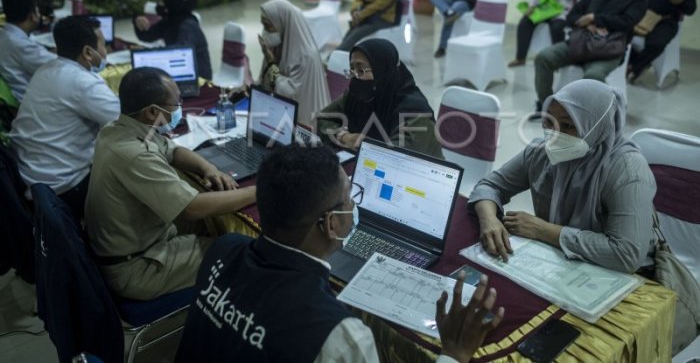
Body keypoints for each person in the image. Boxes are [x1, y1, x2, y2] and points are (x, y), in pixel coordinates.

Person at [175, 144, 504, 363]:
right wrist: (454, 353)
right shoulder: (338, 335)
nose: (355, 204)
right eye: (351, 197)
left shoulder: (222, 249)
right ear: (332, 224)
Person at [84, 67, 256, 300]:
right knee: (242, 253)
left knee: (215, 224)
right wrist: (258, 192)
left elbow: (172, 150)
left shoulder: (116, 129)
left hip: (139, 243)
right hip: (138, 268)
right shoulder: (135, 155)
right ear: (152, 111)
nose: (180, 108)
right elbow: (193, 208)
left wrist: (208, 168)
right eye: (176, 104)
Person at [470, 79, 657, 273]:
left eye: (568, 125)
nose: (554, 134)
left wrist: (544, 230)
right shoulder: (540, 152)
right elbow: (490, 185)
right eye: (549, 121)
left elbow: (626, 254)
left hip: (619, 274)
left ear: (595, 127)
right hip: (559, 260)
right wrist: (488, 218)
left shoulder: (627, 170)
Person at [10, 16, 119, 217]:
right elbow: (128, 123)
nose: (106, 51)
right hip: (64, 186)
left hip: (31, 178)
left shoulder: (47, 69)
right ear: (88, 52)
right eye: (104, 44)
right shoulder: (83, 83)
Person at [532, 0, 647, 115]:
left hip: (609, 49)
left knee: (593, 75)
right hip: (580, 42)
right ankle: (548, 106)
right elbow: (572, 16)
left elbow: (628, 22)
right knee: (543, 57)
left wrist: (595, 18)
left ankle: (588, 118)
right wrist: (586, 24)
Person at [316, 39, 444, 158]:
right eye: (352, 70)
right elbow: (323, 118)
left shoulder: (415, 113)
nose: (355, 77)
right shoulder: (356, 94)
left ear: (383, 71)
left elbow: (393, 159)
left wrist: (362, 145)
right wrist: (344, 136)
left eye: (361, 70)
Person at [257, 0, 330, 125]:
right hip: (280, 116)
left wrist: (271, 64)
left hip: (306, 123)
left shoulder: (306, 57)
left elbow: (291, 95)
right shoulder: (278, 45)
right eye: (263, 25)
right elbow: (264, 83)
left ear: (283, 23)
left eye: (268, 26)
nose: (265, 32)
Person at [628, 0, 697, 82]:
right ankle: (621, 64)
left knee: (656, 43)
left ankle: (634, 68)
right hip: (642, 17)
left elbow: (691, 9)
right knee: (619, 31)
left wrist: (681, 2)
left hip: (667, 21)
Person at [133, 0, 213, 80]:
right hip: (177, 70)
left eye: (162, 3)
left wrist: (152, 54)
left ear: (172, 4)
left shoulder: (188, 25)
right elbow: (147, 36)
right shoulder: (170, 21)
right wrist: (136, 20)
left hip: (197, 76)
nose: (159, 7)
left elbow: (180, 53)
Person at [0, 0, 56, 101]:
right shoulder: (21, 46)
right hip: (30, 103)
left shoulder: (5, 35)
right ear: (32, 16)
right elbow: (61, 66)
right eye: (38, 11)